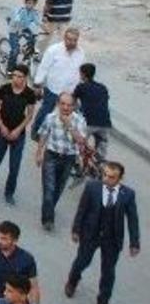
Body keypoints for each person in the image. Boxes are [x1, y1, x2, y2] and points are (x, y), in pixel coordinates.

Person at [66, 161, 140, 304]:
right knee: (82, 261)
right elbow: (82, 209)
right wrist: (76, 229)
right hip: (91, 233)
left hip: (112, 238)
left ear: (120, 178)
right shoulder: (92, 187)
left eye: (112, 177)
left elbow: (133, 219)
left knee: (108, 272)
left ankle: (103, 302)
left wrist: (135, 243)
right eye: (105, 174)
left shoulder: (128, 194)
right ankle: (72, 281)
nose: (106, 178)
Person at [35, 92, 89, 232]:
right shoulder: (50, 118)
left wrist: (69, 125)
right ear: (58, 104)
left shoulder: (79, 120)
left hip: (68, 158)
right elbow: (43, 134)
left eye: (69, 105)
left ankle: (49, 209)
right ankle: (48, 219)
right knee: (49, 188)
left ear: (74, 106)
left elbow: (81, 141)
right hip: (51, 155)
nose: (65, 107)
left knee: (58, 189)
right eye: (63, 104)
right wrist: (39, 152)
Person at [0, 64, 38, 204]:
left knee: (15, 165)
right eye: (14, 75)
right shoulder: (4, 89)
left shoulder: (29, 94)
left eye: (19, 77)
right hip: (1, 130)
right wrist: (1, 126)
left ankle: (9, 192)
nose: (16, 79)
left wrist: (18, 130)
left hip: (18, 134)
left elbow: (29, 115)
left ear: (25, 78)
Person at [32, 27, 85, 142]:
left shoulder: (80, 53)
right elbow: (43, 68)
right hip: (53, 88)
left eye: (74, 40)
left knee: (75, 113)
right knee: (46, 111)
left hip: (71, 91)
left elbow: (80, 72)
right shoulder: (53, 50)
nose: (71, 42)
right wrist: (37, 84)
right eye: (69, 39)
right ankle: (36, 131)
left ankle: (70, 136)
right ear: (64, 38)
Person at [74, 63, 112, 164]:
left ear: (82, 74)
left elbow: (72, 102)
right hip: (105, 122)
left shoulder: (81, 87)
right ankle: (100, 165)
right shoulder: (103, 87)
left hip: (89, 122)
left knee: (78, 142)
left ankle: (77, 164)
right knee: (102, 145)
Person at [5, 0, 40, 71]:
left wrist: (46, 30)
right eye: (29, 3)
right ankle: (10, 68)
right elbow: (16, 21)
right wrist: (20, 32)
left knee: (33, 39)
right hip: (14, 29)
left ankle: (26, 56)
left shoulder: (34, 12)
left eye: (33, 4)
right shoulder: (20, 11)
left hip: (24, 28)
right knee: (15, 51)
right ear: (25, 3)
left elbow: (38, 22)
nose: (31, 5)